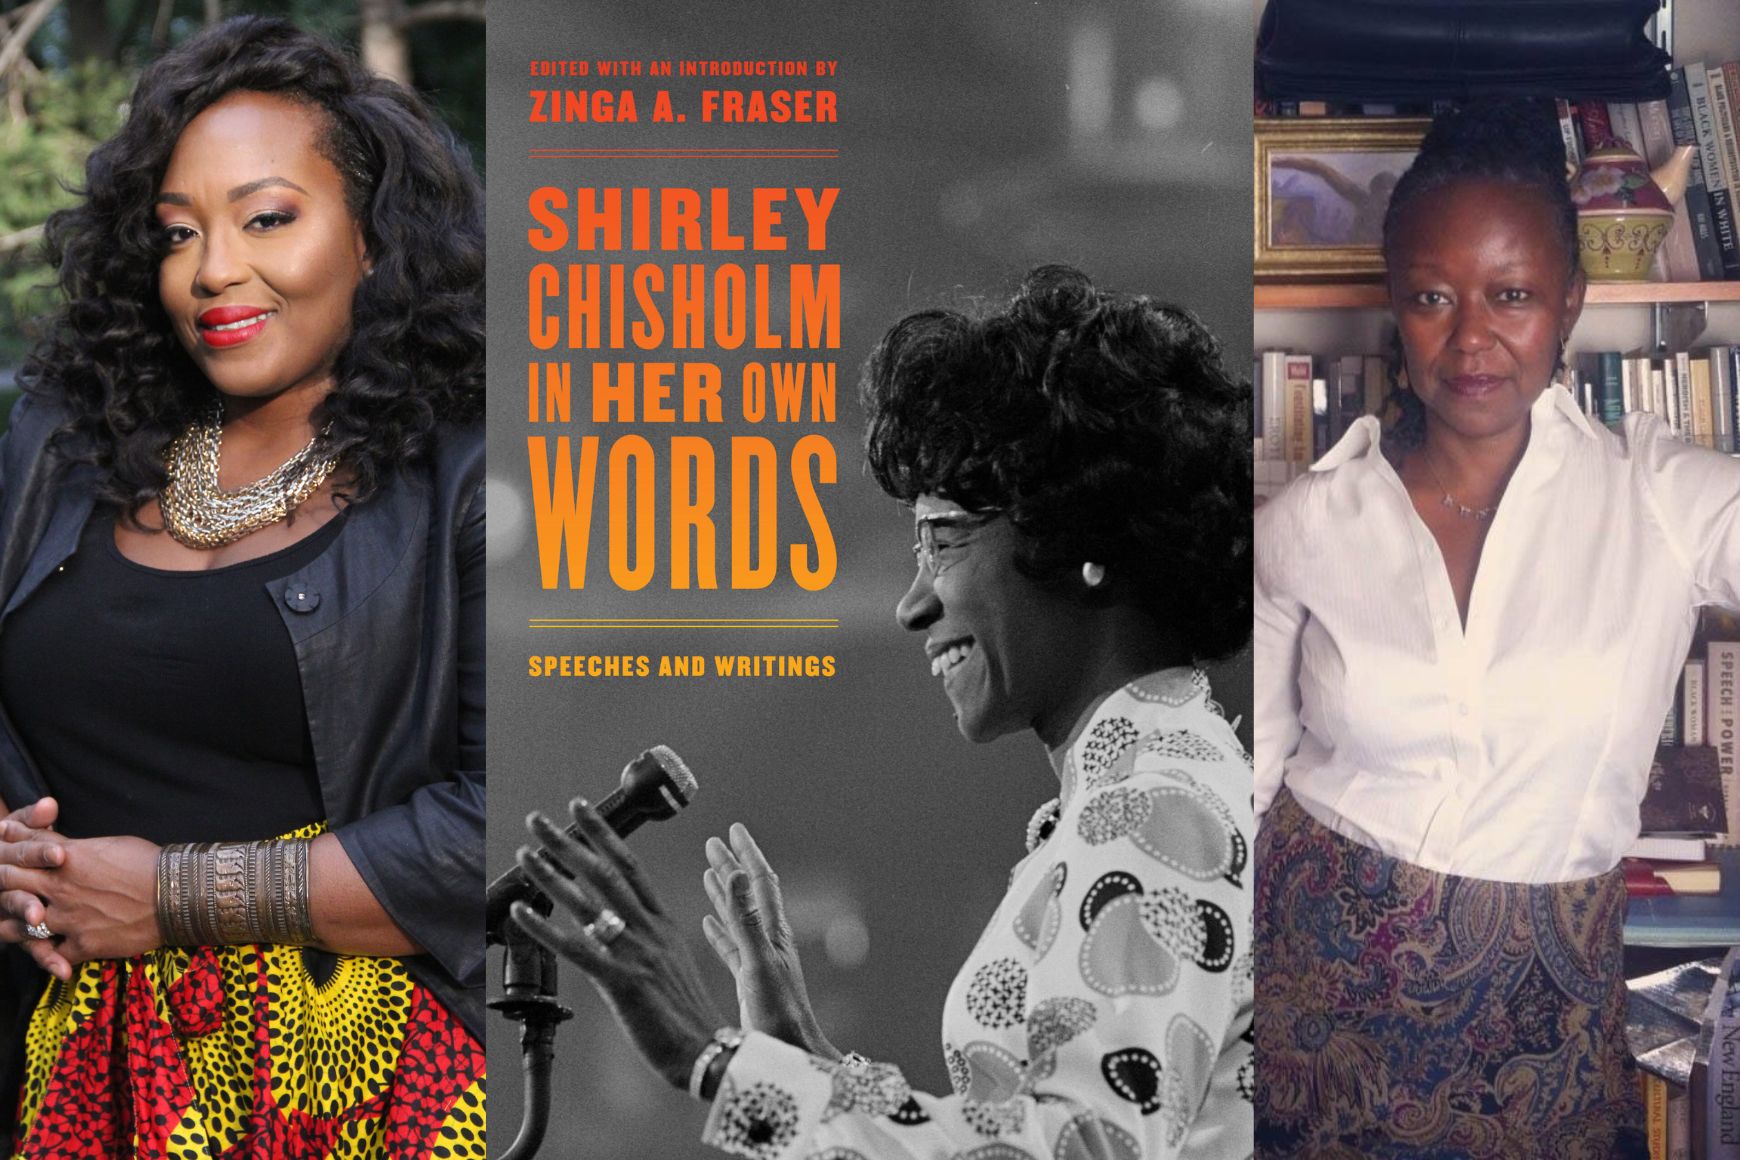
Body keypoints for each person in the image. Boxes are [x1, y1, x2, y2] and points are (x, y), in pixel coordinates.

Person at [510, 265, 1255, 1159]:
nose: (911, 603)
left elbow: (1083, 1148)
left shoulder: (1151, 809)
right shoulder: (1149, 791)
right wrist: (803, 1061)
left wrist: (713, 1061)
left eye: (944, 540)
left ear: (1084, 540)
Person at [0, 18, 486, 1155]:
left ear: (373, 237)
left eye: (268, 216)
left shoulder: (470, 478)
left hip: (363, 1085)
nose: (215, 270)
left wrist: (171, 895)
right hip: (69, 1075)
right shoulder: (58, 447)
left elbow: (494, 825)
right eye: (179, 234)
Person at [1253, 99, 1740, 1158]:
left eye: (1512, 295)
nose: (1471, 337)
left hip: (1544, 1034)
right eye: (1433, 297)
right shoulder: (1306, 524)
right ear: (1395, 302)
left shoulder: (1655, 498)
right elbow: (1242, 779)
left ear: (1570, 303)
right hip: (1311, 1009)